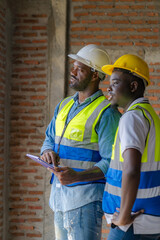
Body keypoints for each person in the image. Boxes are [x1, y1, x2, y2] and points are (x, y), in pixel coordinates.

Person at [41, 44, 121, 240]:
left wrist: (77, 177)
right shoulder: (64, 104)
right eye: (73, 66)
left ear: (95, 75)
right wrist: (47, 151)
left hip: (85, 201)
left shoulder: (106, 113)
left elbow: (112, 162)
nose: (72, 71)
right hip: (59, 198)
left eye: (80, 69)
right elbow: (49, 138)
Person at [101, 54, 160, 240]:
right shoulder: (149, 115)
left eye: (116, 82)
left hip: (131, 224)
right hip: (149, 221)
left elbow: (131, 169)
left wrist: (124, 216)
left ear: (133, 86)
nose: (109, 87)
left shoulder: (132, 118)